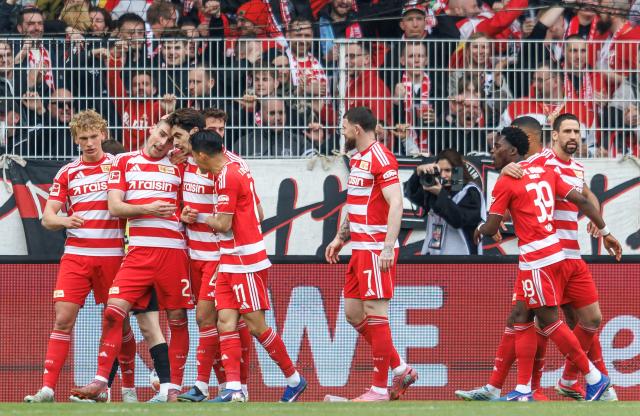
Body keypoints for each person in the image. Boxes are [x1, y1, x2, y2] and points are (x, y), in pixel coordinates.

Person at [474, 127, 621, 401]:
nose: (493, 151)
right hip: (557, 252)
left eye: (497, 146)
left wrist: (481, 227)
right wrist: (605, 231)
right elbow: (581, 200)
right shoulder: (547, 169)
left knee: (550, 322)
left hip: (536, 258)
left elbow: (493, 225)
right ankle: (520, 389)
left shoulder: (506, 181)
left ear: (513, 151)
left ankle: (593, 377)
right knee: (523, 316)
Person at [70, 118, 193, 403]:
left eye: (170, 139)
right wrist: (149, 208)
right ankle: (101, 382)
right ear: (151, 129)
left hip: (173, 251)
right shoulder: (124, 161)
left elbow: (192, 203)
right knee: (114, 311)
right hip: (138, 252)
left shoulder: (180, 165)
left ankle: (169, 389)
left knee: (176, 320)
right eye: (161, 134)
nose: (163, 142)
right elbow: (114, 206)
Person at [190, 130, 307, 403]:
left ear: (203, 156)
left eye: (195, 157)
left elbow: (223, 224)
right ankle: (234, 389)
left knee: (256, 326)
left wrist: (199, 216)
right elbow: (255, 213)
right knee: (225, 322)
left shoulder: (228, 176)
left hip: (245, 261)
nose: (195, 163)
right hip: (229, 259)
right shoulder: (232, 168)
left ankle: (294, 378)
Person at [24, 110, 131, 403]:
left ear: (104, 135)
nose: (89, 143)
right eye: (83, 138)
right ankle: (47, 388)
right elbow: (47, 218)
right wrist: (65, 221)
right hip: (77, 255)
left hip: (112, 255)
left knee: (114, 320)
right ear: (75, 140)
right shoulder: (68, 172)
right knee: (63, 319)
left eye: (94, 136)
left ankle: (105, 386)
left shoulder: (120, 166)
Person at [325, 106, 417, 401]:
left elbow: (396, 203)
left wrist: (388, 245)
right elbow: (354, 204)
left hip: (376, 248)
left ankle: (378, 389)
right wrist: (341, 239)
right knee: (353, 314)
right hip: (358, 249)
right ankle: (400, 368)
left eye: (344, 129)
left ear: (356, 129)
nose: (342, 134)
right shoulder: (358, 159)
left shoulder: (380, 157)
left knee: (377, 314)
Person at [166, 109, 253, 402]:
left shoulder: (227, 164)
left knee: (211, 318)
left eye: (178, 136)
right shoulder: (183, 164)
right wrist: (185, 214)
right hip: (194, 254)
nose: (173, 143)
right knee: (225, 322)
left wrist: (202, 216)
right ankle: (227, 385)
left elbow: (254, 211)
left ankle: (221, 385)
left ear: (193, 134)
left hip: (220, 254)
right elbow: (180, 205)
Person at [404, 149, 485, 255]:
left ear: (457, 170)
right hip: (435, 257)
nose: (443, 175)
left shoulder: (470, 191)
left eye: (448, 170)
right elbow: (411, 194)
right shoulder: (434, 188)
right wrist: (417, 173)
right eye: (440, 171)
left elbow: (458, 220)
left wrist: (440, 194)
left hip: (463, 258)